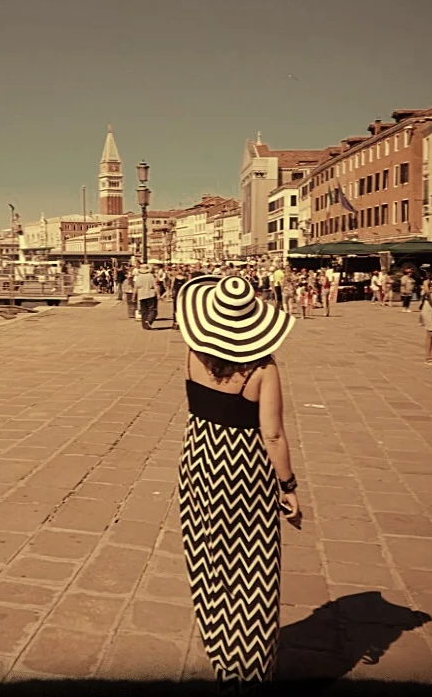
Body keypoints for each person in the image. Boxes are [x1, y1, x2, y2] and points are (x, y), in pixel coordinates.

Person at [174, 273, 301, 692]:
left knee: (208, 557)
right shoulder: (263, 369)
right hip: (244, 471)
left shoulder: (191, 353)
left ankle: (221, 648)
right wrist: (288, 486)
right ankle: (250, 666)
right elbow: (273, 435)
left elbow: (198, 405)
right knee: (253, 567)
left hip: (199, 461)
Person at [135, 263, 160, 330]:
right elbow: (155, 285)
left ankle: (144, 325)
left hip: (141, 295)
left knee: (144, 311)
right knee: (152, 310)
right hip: (150, 294)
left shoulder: (139, 277)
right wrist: (158, 294)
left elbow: (136, 287)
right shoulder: (151, 276)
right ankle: (149, 321)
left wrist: (134, 295)